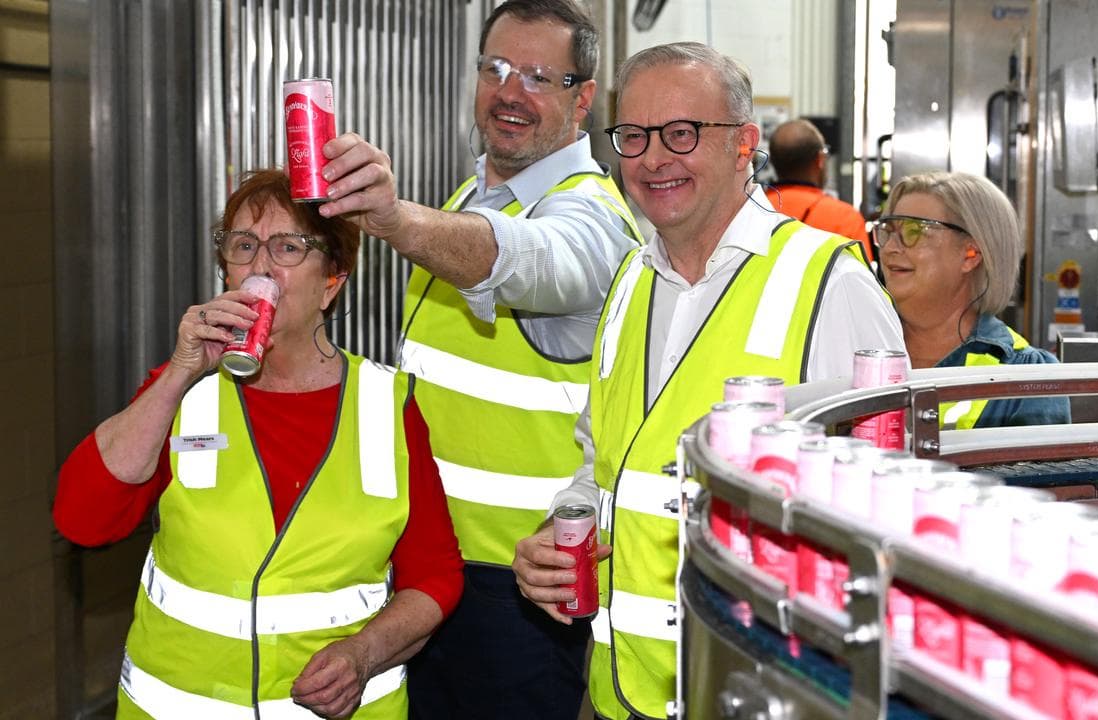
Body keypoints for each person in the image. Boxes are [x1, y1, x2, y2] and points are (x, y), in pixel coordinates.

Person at [510, 42, 905, 720]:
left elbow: (887, 512)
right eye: (634, 136)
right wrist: (562, 528)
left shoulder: (828, 285)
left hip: (756, 695)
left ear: (744, 144)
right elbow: (603, 463)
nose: (653, 159)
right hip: (618, 692)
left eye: (682, 133)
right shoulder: (630, 282)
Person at [316, 1, 641, 717]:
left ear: (583, 98)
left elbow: (533, 259)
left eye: (539, 76)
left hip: (519, 583)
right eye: (495, 68)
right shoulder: (474, 196)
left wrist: (396, 219)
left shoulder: (592, 215)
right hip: (432, 567)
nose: (509, 92)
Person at [51, 168, 463, 719]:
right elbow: (82, 519)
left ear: (333, 281)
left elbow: (435, 576)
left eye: (288, 247)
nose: (260, 268)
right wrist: (178, 373)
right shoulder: (186, 393)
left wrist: (364, 654)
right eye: (243, 246)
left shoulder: (386, 405)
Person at [875, 171, 1071, 428]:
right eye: (888, 231)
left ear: (971, 254)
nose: (890, 248)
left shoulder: (1028, 377)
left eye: (914, 231)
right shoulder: (858, 343)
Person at [767, 118, 873, 260]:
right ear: (820, 159)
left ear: (772, 161)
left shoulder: (750, 209)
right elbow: (861, 272)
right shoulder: (845, 218)